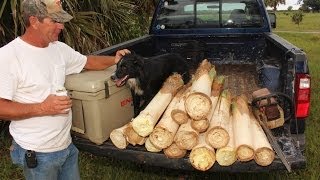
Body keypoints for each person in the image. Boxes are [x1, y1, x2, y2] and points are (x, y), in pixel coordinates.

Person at [0, 0, 130, 179]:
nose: (61, 26)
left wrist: (115, 60)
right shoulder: (8, 57)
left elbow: (88, 62)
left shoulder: (58, 49)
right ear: (34, 21)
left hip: (66, 147)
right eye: (54, 21)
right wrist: (43, 108)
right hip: (37, 153)